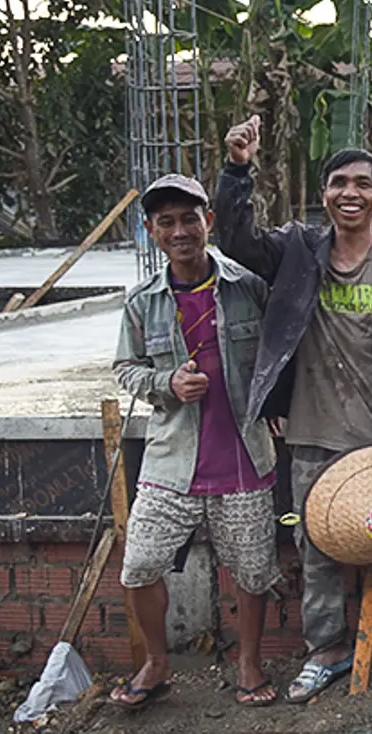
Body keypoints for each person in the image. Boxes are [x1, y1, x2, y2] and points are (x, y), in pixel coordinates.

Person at [215, 115, 372, 700]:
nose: (351, 192)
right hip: (314, 432)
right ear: (324, 195)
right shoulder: (296, 250)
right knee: (314, 546)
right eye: (339, 182)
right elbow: (235, 242)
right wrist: (237, 168)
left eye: (364, 184)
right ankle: (326, 650)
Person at [111, 174, 279, 709]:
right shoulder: (142, 303)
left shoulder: (247, 285)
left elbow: (284, 347)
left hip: (244, 458)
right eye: (166, 222)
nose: (180, 231)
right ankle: (157, 662)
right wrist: (167, 384)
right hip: (171, 461)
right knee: (139, 565)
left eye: (189, 219)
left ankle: (249, 662)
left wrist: (279, 406)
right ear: (150, 231)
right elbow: (125, 369)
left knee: (252, 572)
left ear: (208, 221)